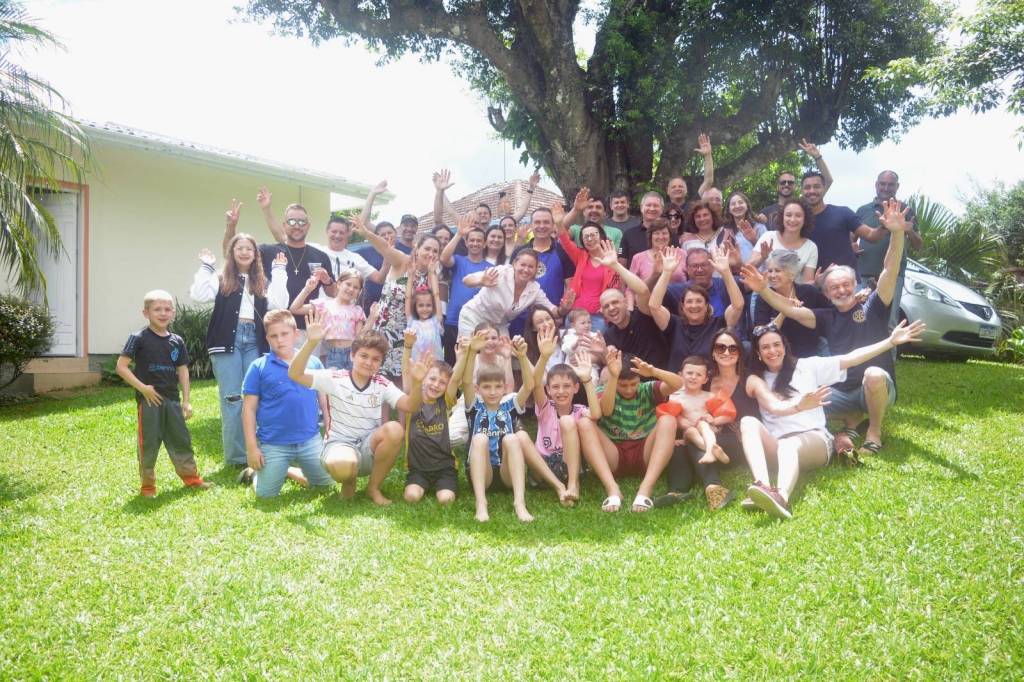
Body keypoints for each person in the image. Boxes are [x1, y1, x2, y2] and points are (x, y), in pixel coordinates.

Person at [740, 198, 911, 458]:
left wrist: (896, 233)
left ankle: (873, 433)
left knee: (874, 374)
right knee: (802, 397)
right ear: (827, 294)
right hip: (841, 391)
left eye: (846, 285)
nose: (841, 290)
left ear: (854, 285)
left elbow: (890, 269)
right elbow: (791, 310)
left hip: (876, 387)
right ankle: (849, 421)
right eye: (834, 287)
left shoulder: (875, 306)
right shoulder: (826, 317)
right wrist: (763, 288)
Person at [740, 319, 924, 519]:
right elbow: (774, 406)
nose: (772, 351)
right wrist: (799, 405)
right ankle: (763, 487)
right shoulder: (756, 379)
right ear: (758, 353)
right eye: (765, 347)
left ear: (785, 347)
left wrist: (890, 342)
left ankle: (781, 498)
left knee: (788, 445)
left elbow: (851, 358)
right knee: (748, 422)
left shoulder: (807, 366)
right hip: (776, 445)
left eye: (776, 344)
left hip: (814, 441)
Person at [289, 314, 426, 505]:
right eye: (364, 356)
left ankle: (373, 488)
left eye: (376, 359)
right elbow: (295, 374)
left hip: (368, 448)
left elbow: (410, 405)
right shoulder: (335, 378)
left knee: (395, 429)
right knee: (344, 465)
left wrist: (418, 383)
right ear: (352, 356)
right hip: (339, 446)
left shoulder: (382, 384)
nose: (369, 362)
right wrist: (311, 343)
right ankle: (349, 482)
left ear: (380, 363)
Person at [190, 213, 288, 468]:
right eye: (239, 248)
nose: (244, 252)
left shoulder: (262, 281)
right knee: (233, 399)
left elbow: (280, 303)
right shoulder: (221, 278)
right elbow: (199, 295)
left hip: (254, 340)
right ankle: (236, 458)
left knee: (255, 398)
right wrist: (206, 267)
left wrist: (279, 272)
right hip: (227, 342)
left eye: (249, 249)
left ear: (255, 255)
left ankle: (257, 452)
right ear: (232, 253)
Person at [115, 290, 210, 497]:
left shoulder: (177, 341)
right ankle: (148, 486)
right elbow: (121, 367)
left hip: (172, 400)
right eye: (157, 309)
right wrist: (143, 388)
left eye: (167, 309)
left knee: (181, 440)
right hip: (149, 401)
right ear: (146, 313)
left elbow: (183, 371)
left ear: (173, 313)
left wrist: (186, 401)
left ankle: (192, 479)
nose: (163, 313)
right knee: (148, 443)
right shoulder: (138, 338)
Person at [656, 328, 757, 511]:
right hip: (700, 438)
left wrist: (711, 421)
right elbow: (673, 415)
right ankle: (676, 491)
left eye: (733, 348)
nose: (726, 352)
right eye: (720, 347)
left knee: (693, 441)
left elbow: (728, 413)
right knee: (680, 446)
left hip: (730, 440)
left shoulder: (744, 380)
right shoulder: (696, 385)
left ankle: (714, 487)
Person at [240, 309, 334, 498]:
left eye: (285, 334)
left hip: (309, 440)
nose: (280, 340)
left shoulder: (314, 363)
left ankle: (288, 470)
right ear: (267, 338)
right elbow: (248, 409)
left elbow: (324, 399)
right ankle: (259, 474)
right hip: (274, 443)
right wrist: (252, 448)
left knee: (326, 486)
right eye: (274, 336)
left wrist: (330, 426)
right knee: (265, 496)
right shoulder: (258, 367)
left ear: (296, 334)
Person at [576, 350, 681, 512]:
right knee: (584, 424)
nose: (629, 389)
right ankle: (612, 489)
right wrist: (613, 376)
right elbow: (606, 411)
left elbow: (678, 384)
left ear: (639, 379)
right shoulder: (604, 390)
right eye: (623, 385)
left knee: (668, 420)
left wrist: (653, 371)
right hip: (614, 455)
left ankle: (646, 488)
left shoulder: (647, 389)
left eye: (633, 384)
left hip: (645, 453)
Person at [353, 217, 441, 380]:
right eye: (427, 249)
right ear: (417, 248)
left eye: (435, 251)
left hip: (409, 336)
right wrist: (366, 233)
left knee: (402, 382)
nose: (431, 254)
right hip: (384, 331)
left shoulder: (431, 275)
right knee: (376, 379)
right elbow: (385, 247)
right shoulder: (403, 261)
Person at [462, 333, 537, 523]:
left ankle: (519, 503)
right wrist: (472, 352)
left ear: (505, 387)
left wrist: (522, 356)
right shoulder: (475, 405)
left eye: (497, 386)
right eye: (487, 387)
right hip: (481, 474)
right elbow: (466, 381)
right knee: (480, 438)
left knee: (512, 438)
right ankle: (481, 503)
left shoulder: (510, 404)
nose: (493, 391)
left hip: (506, 474)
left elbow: (529, 385)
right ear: (478, 389)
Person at [242, 188, 337, 330]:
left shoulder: (320, 256)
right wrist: (231, 226)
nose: (297, 226)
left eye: (302, 222)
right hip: (275, 328)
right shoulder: (268, 251)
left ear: (308, 226)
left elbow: (333, 293)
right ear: (284, 225)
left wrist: (327, 280)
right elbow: (234, 254)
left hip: (308, 327)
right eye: (291, 221)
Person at [399, 328, 474, 505]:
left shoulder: (445, 401)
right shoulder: (412, 399)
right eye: (432, 379)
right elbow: (406, 373)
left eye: (442, 383)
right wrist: (408, 346)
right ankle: (420, 484)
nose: (436, 385)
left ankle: (444, 485)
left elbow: (455, 379)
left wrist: (464, 355)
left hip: (444, 468)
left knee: (446, 499)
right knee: (411, 497)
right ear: (423, 378)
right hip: (418, 469)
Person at [529, 328, 602, 505]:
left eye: (567, 386)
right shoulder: (545, 407)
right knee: (522, 438)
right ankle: (561, 487)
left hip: (570, 465)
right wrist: (544, 357)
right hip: (544, 467)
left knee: (568, 421)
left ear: (576, 388)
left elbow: (596, 414)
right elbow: (536, 383)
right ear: (548, 390)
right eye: (555, 387)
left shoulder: (579, 410)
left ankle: (572, 485)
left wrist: (587, 380)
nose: (561, 391)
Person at [649, 246, 744, 372]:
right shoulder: (674, 325)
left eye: (699, 301)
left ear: (707, 306)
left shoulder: (718, 324)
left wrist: (726, 272)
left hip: (709, 381)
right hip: (678, 382)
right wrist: (666, 272)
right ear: (682, 306)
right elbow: (654, 306)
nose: (694, 306)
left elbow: (738, 305)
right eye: (689, 301)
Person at [856, 170, 921, 328]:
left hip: (894, 276)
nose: (886, 188)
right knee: (858, 319)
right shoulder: (863, 210)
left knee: (889, 324)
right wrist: (851, 246)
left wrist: (909, 230)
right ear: (876, 185)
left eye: (890, 184)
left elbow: (918, 246)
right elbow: (850, 238)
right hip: (864, 275)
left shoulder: (905, 211)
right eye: (882, 184)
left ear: (897, 187)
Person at [457, 248, 568, 337]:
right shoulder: (501, 272)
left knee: (505, 356)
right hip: (473, 317)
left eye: (531, 267)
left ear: (535, 270)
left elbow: (552, 310)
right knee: (468, 353)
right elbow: (467, 280)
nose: (526, 270)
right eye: (523, 265)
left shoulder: (534, 289)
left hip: (499, 326)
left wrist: (563, 309)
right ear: (514, 264)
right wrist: (481, 281)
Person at [799, 171, 891, 271]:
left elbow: (871, 235)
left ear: (824, 188)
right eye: (807, 187)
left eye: (816, 186)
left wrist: (884, 226)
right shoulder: (797, 221)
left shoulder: (843, 213)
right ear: (801, 190)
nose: (812, 191)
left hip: (846, 278)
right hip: (812, 279)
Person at [555, 201, 622, 333]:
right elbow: (564, 239)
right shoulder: (581, 256)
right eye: (585, 237)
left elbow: (615, 286)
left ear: (601, 236)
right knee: (572, 345)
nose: (589, 239)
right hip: (576, 315)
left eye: (593, 235)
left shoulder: (611, 260)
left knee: (596, 346)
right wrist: (558, 223)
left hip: (599, 316)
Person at [750, 249, 829, 358]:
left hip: (811, 355)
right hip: (778, 357)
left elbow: (829, 317)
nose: (772, 275)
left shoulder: (809, 292)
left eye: (777, 270)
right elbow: (760, 334)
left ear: (791, 273)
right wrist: (786, 311)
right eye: (770, 271)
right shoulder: (763, 297)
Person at [659, 355, 734, 465]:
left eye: (699, 374)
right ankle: (712, 451)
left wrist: (713, 420)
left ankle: (709, 451)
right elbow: (669, 419)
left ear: (705, 379)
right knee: (691, 431)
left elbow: (729, 415)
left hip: (709, 431)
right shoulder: (674, 397)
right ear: (680, 375)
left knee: (702, 424)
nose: (693, 377)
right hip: (688, 434)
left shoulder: (709, 396)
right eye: (689, 373)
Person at [289, 269, 366, 370]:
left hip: (352, 353)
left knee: (349, 379)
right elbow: (295, 309)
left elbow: (359, 337)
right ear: (339, 284)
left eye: (356, 287)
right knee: (333, 378)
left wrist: (372, 319)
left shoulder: (357, 310)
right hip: (331, 352)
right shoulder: (324, 304)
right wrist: (307, 289)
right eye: (348, 284)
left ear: (359, 292)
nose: (351, 289)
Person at [440, 213, 491, 364]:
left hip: (478, 323)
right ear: (466, 243)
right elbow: (443, 258)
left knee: (476, 366)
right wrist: (459, 234)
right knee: (452, 365)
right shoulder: (459, 261)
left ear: (484, 244)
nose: (475, 243)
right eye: (472, 240)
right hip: (454, 321)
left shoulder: (490, 268)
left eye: (479, 241)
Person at [757, 140, 835, 223]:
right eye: (783, 182)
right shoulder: (765, 212)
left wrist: (817, 157)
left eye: (790, 182)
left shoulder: (804, 204)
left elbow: (828, 181)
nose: (786, 184)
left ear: (795, 186)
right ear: (777, 186)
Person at [747, 198, 818, 283]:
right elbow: (747, 269)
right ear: (782, 217)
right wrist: (762, 257)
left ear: (805, 219)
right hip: (763, 289)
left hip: (793, 291)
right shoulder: (768, 236)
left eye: (798, 215)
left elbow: (807, 284)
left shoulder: (811, 247)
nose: (792, 219)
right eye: (788, 215)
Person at [628, 217, 687, 309]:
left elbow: (692, 282)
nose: (661, 237)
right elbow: (630, 290)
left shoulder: (681, 254)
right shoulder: (638, 258)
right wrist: (630, 309)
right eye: (656, 233)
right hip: (648, 308)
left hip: (679, 306)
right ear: (650, 236)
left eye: (664, 233)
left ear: (670, 236)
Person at [620, 191, 669, 267]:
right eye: (648, 205)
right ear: (641, 208)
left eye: (656, 205)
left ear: (662, 209)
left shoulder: (669, 234)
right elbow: (621, 264)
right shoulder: (628, 234)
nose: (652, 208)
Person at [723, 191, 767, 265]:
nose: (737, 206)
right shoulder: (726, 232)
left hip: (758, 271)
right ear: (729, 210)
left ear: (747, 206)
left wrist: (754, 240)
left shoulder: (759, 228)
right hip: (736, 271)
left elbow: (769, 253)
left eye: (740, 202)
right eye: (733, 204)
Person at [405, 287, 444, 365]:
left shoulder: (435, 321)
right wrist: (410, 279)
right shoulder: (412, 322)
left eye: (428, 305)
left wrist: (432, 277)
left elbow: (436, 295)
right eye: (421, 305)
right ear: (415, 307)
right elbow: (407, 298)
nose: (425, 309)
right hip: (417, 366)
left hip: (435, 366)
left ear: (433, 306)